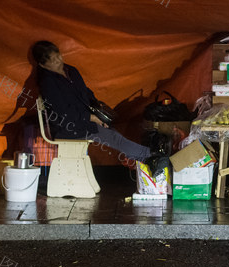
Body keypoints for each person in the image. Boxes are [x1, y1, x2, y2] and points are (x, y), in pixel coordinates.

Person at [32, 40, 166, 176]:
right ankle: (151, 156)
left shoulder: (71, 70)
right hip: (68, 126)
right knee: (114, 137)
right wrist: (91, 118)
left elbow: (86, 93)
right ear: (42, 65)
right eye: (53, 60)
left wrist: (99, 111)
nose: (58, 61)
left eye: (58, 56)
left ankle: (148, 159)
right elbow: (62, 112)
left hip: (85, 120)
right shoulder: (47, 83)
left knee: (113, 133)